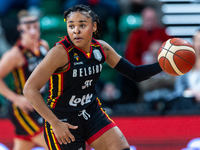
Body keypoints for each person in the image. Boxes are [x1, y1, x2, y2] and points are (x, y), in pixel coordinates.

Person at [23, 4, 164, 150]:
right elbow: (29, 89)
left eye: (82, 25)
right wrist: (55, 122)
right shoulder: (60, 52)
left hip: (91, 112)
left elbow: (135, 73)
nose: (76, 31)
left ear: (94, 27)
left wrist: (163, 65)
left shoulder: (101, 48)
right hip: (63, 119)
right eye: (71, 26)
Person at [0, 10, 48, 150]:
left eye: (35, 27)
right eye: (28, 28)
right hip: (22, 108)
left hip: (38, 105)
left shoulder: (43, 46)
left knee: (23, 146)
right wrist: (16, 98)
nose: (33, 31)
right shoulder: (15, 54)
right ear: (20, 28)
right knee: (56, 144)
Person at [165, 30, 200, 111]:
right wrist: (191, 92)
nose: (199, 44)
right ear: (193, 42)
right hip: (189, 101)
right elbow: (179, 89)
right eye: (197, 40)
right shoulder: (185, 64)